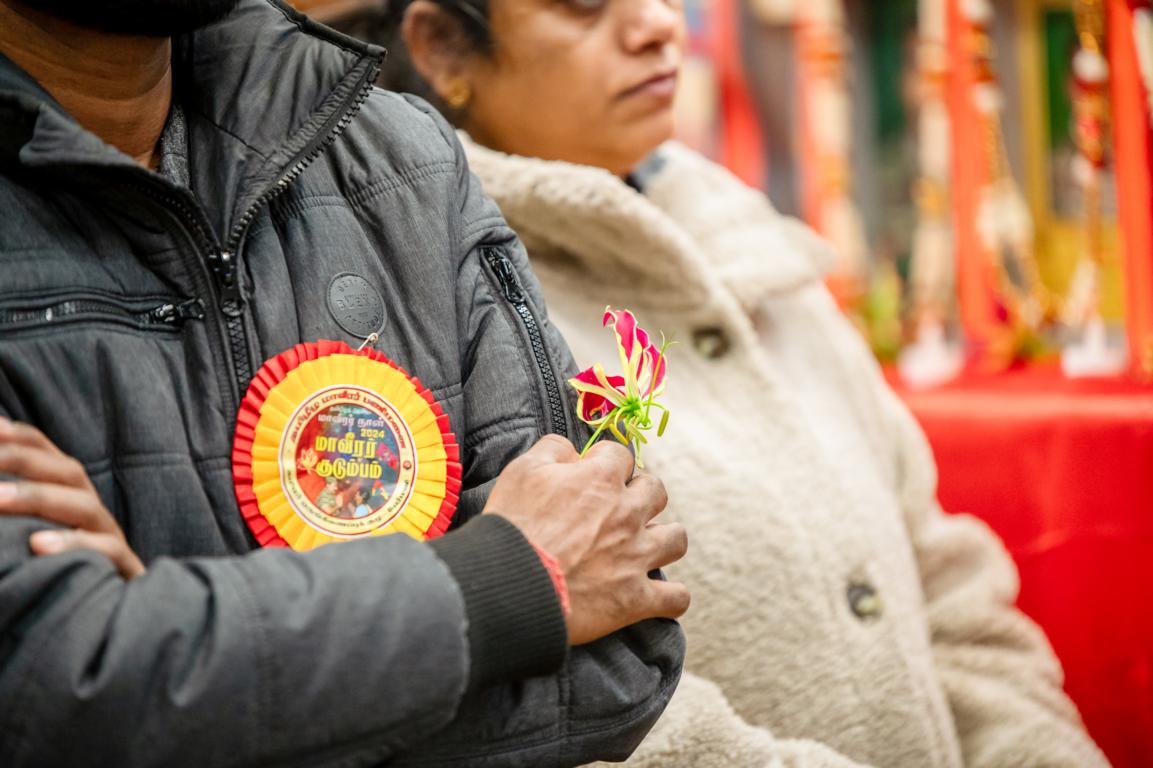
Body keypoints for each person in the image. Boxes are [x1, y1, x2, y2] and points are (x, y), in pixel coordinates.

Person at [313, 0, 1107, 764]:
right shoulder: (424, 303)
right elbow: (548, 704)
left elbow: (947, 590)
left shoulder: (754, 247)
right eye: (584, 3)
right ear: (444, 46)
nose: (657, 24)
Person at [0, 0, 690, 765]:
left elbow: (615, 666)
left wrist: (180, 644)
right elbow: (58, 697)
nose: (656, 25)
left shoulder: (399, 158)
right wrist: (507, 585)